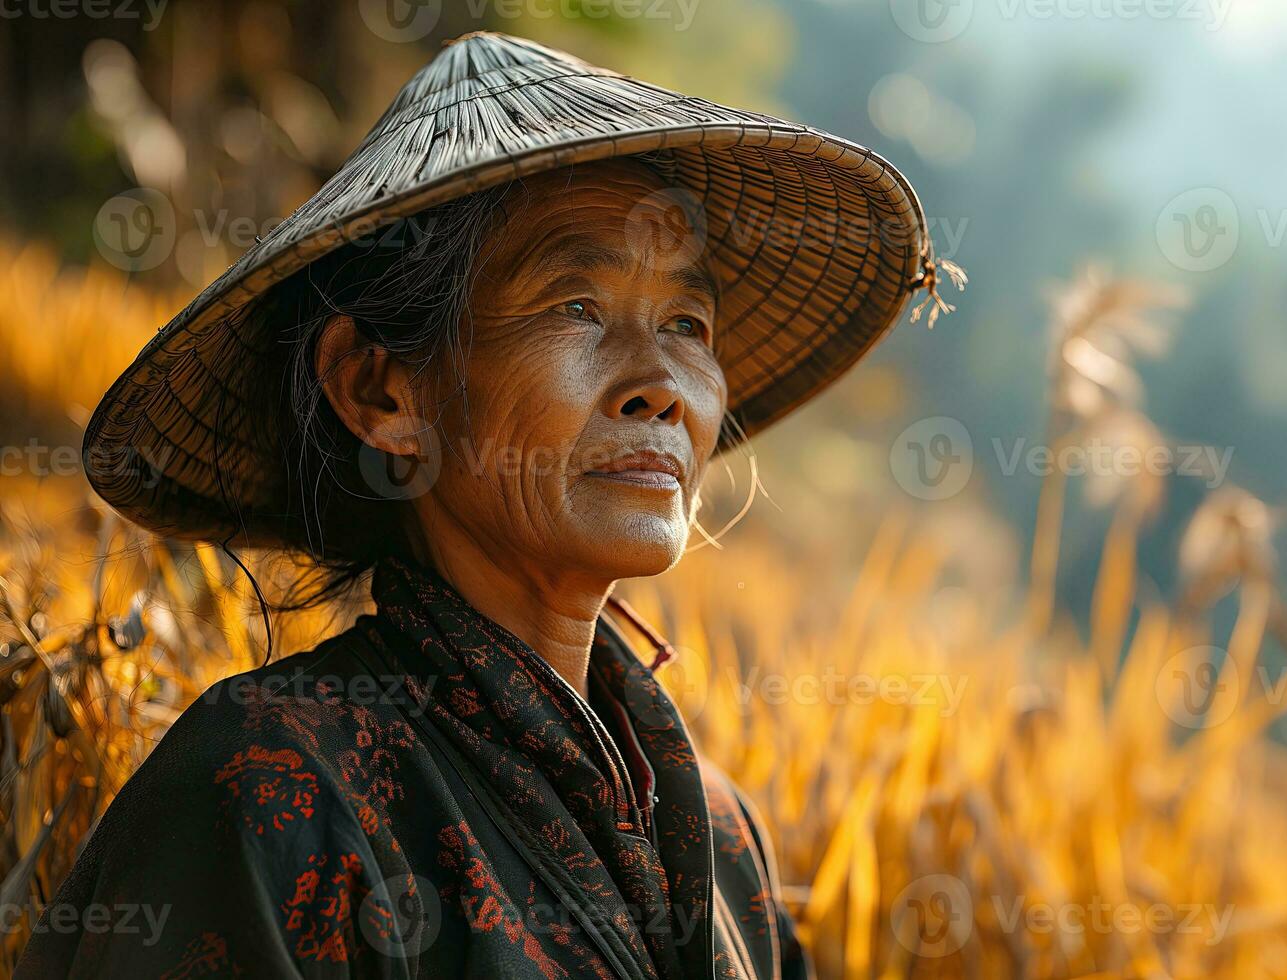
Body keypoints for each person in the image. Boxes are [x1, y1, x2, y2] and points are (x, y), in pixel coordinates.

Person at [20, 31, 953, 978]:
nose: (661, 387)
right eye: (575, 307)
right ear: (382, 393)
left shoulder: (715, 835)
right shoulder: (272, 790)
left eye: (686, 323)